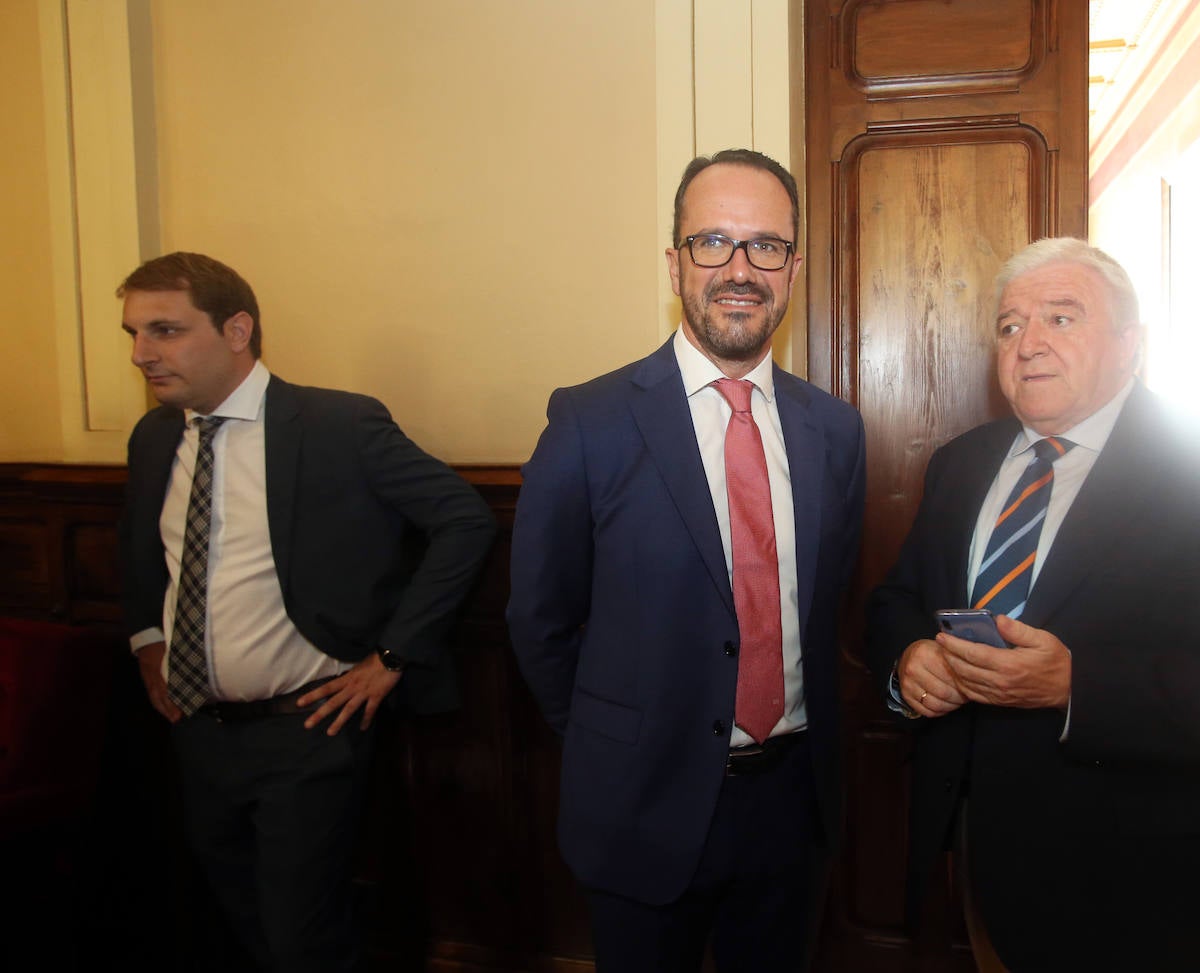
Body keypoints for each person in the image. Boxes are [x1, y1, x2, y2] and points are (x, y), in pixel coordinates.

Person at [866, 237, 1200, 972]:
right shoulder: (961, 464)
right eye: (1011, 325)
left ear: (1130, 345)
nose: (1029, 344)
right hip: (982, 881)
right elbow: (896, 598)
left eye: (1061, 317)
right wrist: (908, 659)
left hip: (1153, 901)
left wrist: (1077, 687)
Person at [506, 149, 866, 972]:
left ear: (794, 266)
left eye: (765, 246)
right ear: (674, 263)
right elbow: (540, 620)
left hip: (792, 807)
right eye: (712, 242)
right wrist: (621, 737)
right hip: (639, 806)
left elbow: (829, 600)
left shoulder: (835, 431)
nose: (739, 269)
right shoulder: (589, 422)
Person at [117, 252, 497, 972]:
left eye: (164, 330)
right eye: (133, 332)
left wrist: (391, 658)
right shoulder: (155, 436)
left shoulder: (336, 424)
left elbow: (465, 520)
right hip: (196, 730)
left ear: (237, 329)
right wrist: (146, 641)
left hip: (308, 729)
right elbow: (144, 554)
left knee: (302, 936)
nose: (142, 353)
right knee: (236, 919)